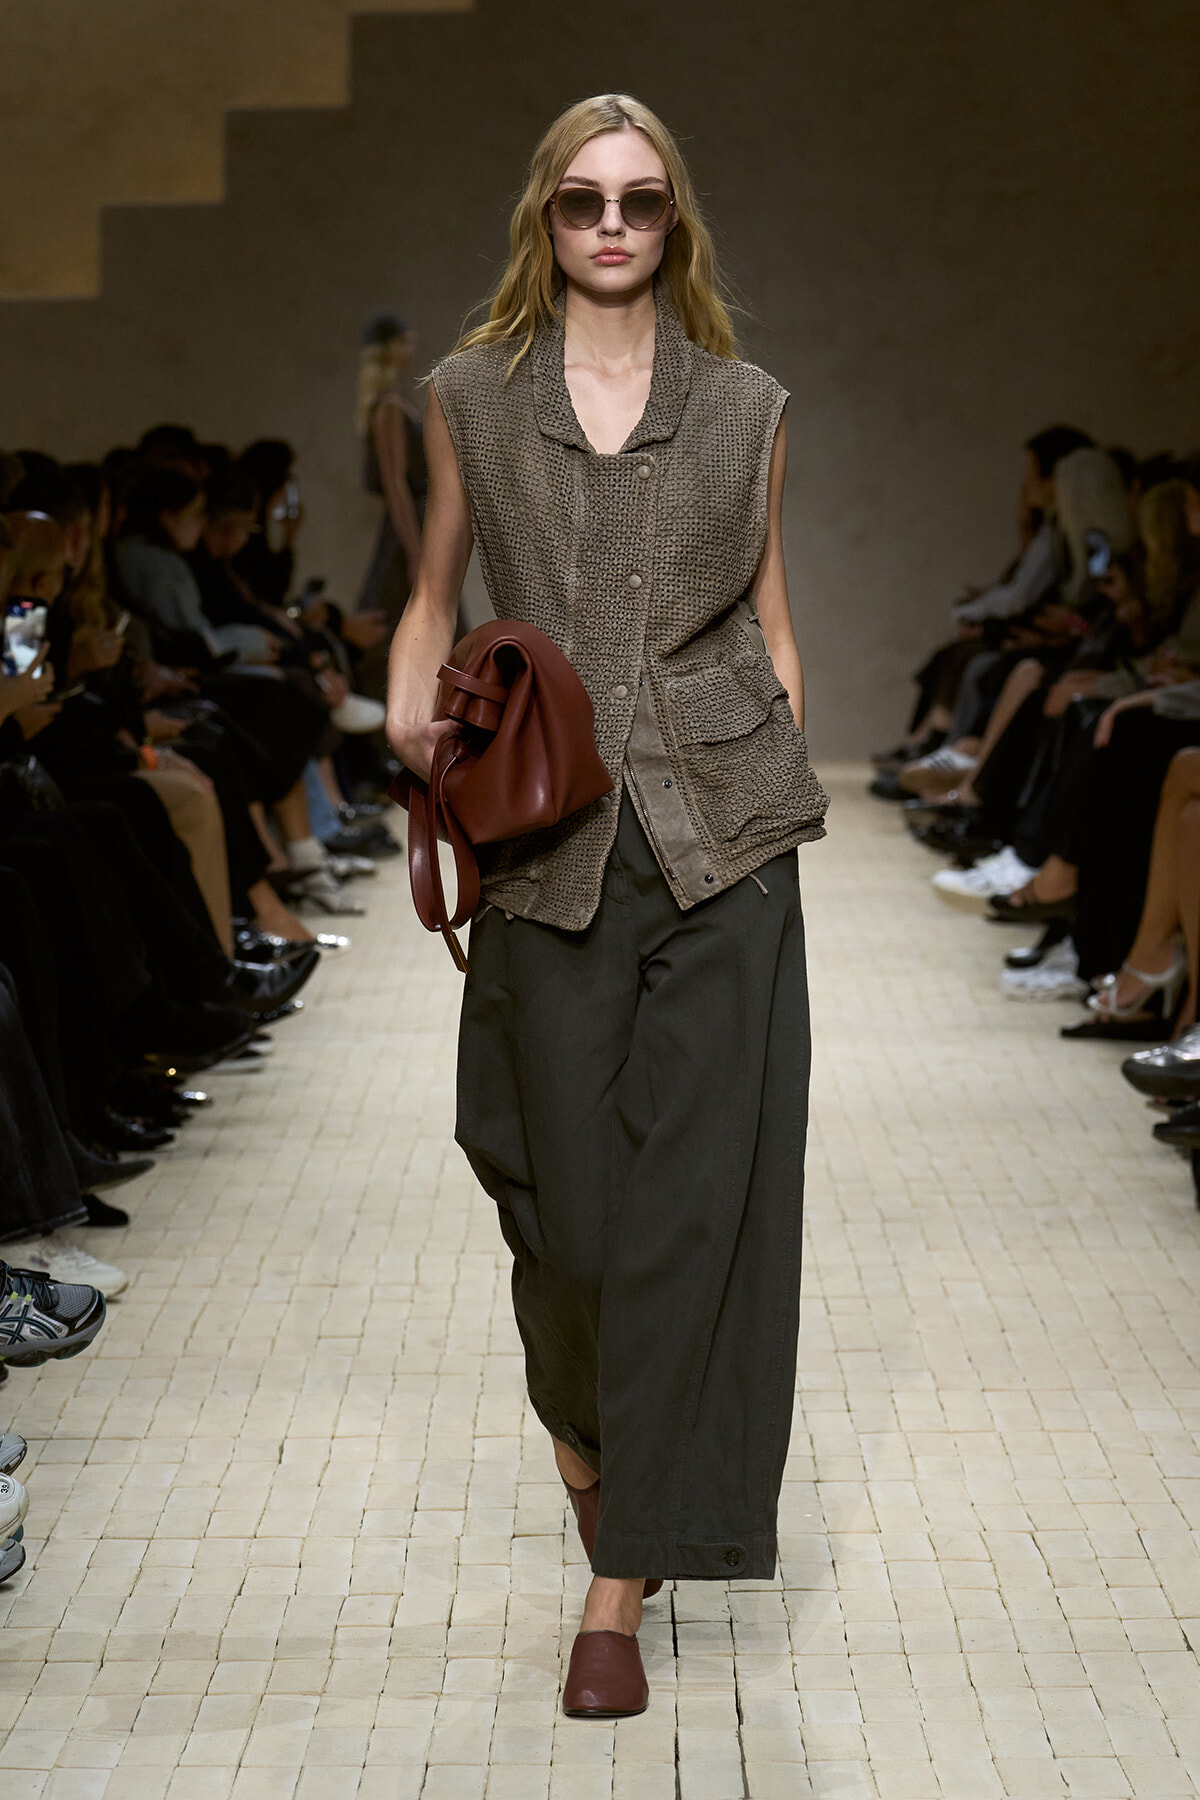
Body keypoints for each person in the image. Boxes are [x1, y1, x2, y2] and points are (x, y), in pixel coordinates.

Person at [386, 93, 827, 1718]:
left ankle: (618, 1586)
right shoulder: (469, 399)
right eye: (582, 202)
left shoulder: (750, 408)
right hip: (547, 841)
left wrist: (771, 751)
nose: (613, 225)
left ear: (678, 221)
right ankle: (587, 1438)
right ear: (545, 219)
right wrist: (413, 723)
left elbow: (775, 623)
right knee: (558, 1217)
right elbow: (431, 600)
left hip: (725, 847)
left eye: (641, 200)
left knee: (689, 1219)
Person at [355, 313, 427, 694]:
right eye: (405, 342)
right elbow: (394, 482)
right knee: (400, 620)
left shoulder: (397, 401)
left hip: (417, 522)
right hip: (407, 529)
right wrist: (415, 551)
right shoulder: (388, 407)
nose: (410, 351)